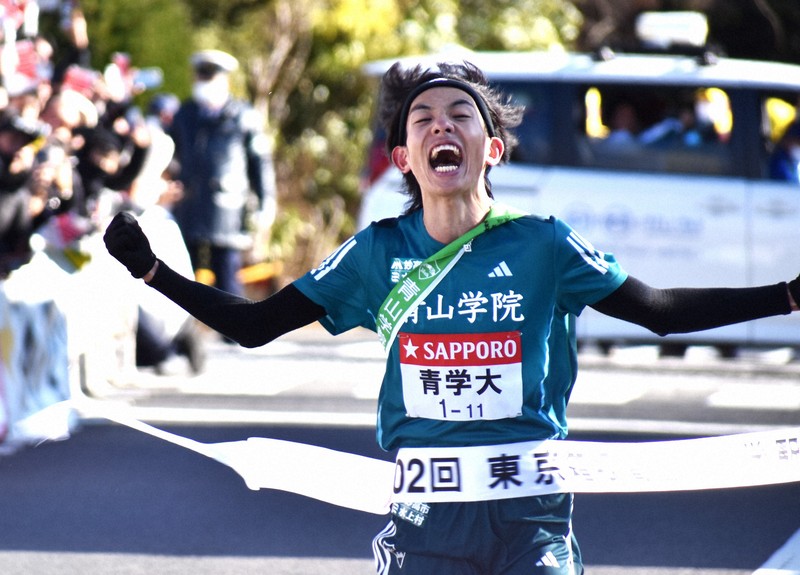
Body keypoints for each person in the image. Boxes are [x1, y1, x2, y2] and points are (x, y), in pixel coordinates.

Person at [104, 60, 800, 575]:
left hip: (530, 510)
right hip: (427, 515)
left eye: (461, 115)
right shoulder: (376, 253)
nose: (443, 124)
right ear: (404, 159)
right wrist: (153, 271)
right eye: (424, 119)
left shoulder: (543, 243)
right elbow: (256, 325)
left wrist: (790, 295)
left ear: (491, 149)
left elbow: (658, 311)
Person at [168, 49, 277, 297]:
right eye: (201, 77)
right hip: (189, 205)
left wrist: (266, 202)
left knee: (227, 278)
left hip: (227, 209)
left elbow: (260, 163)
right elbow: (172, 154)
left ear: (224, 80)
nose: (204, 83)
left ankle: (233, 322)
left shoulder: (244, 115)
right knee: (182, 276)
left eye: (210, 77)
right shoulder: (185, 114)